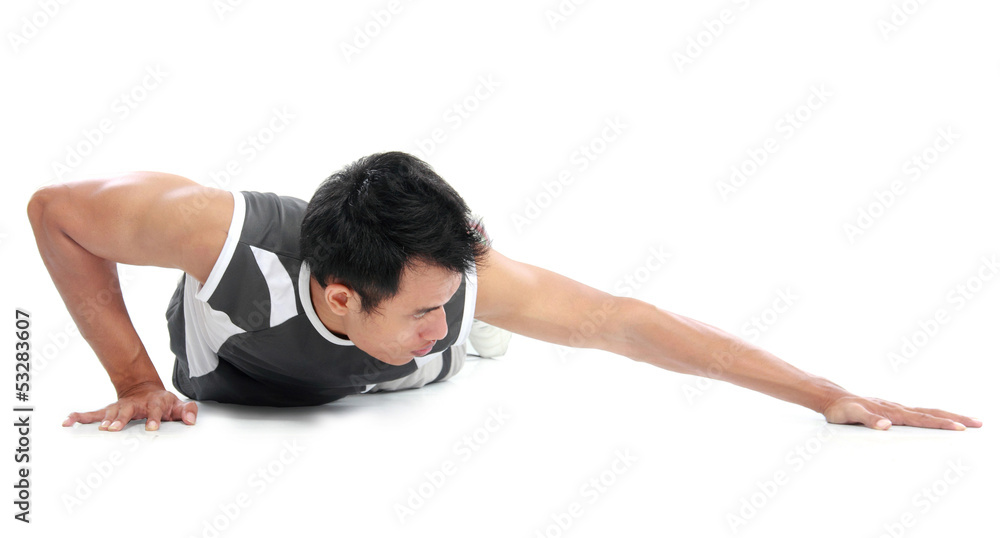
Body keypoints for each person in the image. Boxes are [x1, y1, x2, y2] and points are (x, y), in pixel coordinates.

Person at [27, 151, 981, 432]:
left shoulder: (458, 299)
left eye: (452, 295)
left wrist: (826, 395)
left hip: (395, 379)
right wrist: (135, 376)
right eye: (421, 309)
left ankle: (465, 329)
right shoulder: (226, 240)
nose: (441, 318)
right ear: (343, 296)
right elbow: (52, 210)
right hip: (247, 374)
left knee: (494, 324)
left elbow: (623, 322)